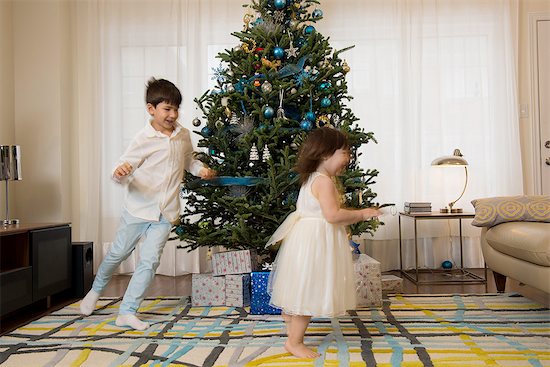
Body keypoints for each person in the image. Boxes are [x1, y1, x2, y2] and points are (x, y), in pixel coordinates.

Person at [80, 78, 215, 330]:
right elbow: (122, 166)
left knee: (150, 261)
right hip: (138, 209)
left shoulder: (183, 135)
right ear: (151, 109)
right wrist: (120, 172)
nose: (173, 114)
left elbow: (189, 161)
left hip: (166, 212)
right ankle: (95, 291)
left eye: (176, 109)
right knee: (118, 253)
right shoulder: (143, 138)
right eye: (167, 109)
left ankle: (127, 311)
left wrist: (201, 170)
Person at [266, 127, 381, 359]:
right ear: (326, 154)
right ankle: (294, 341)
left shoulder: (311, 179)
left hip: (306, 239)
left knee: (301, 285)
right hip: (316, 242)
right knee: (310, 289)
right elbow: (332, 216)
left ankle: (291, 327)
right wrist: (362, 214)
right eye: (345, 153)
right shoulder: (324, 182)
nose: (348, 159)